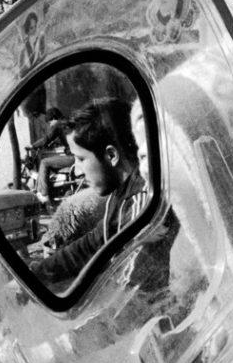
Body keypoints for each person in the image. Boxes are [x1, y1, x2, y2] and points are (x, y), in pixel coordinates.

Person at [29, 98, 151, 286]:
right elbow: (92, 244)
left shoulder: (139, 204)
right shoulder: (119, 196)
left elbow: (134, 285)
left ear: (111, 155)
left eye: (80, 159)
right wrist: (35, 275)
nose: (77, 170)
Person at [30, 107, 75, 204]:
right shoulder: (67, 124)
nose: (50, 125)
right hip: (76, 156)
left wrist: (33, 146)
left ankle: (43, 194)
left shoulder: (58, 125)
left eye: (50, 122)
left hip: (72, 157)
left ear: (54, 118)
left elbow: (47, 138)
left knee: (44, 162)